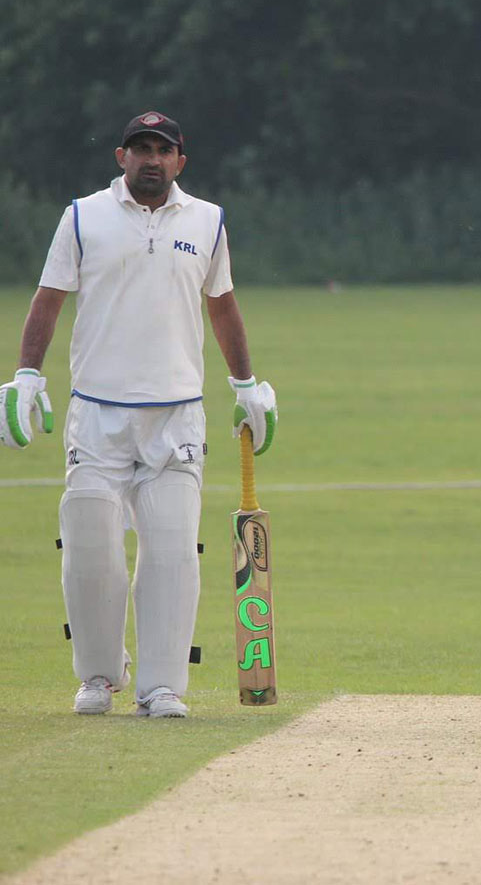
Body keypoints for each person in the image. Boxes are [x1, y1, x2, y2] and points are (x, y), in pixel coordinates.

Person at [0, 110, 277, 718]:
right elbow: (49, 298)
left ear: (181, 160)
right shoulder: (82, 217)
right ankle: (100, 675)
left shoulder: (207, 221)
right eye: (139, 148)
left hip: (176, 415)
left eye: (162, 149)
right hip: (96, 414)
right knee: (91, 544)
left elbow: (222, 305)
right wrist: (26, 373)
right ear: (120, 157)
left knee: (173, 550)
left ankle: (162, 687)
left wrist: (246, 384)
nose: (150, 158)